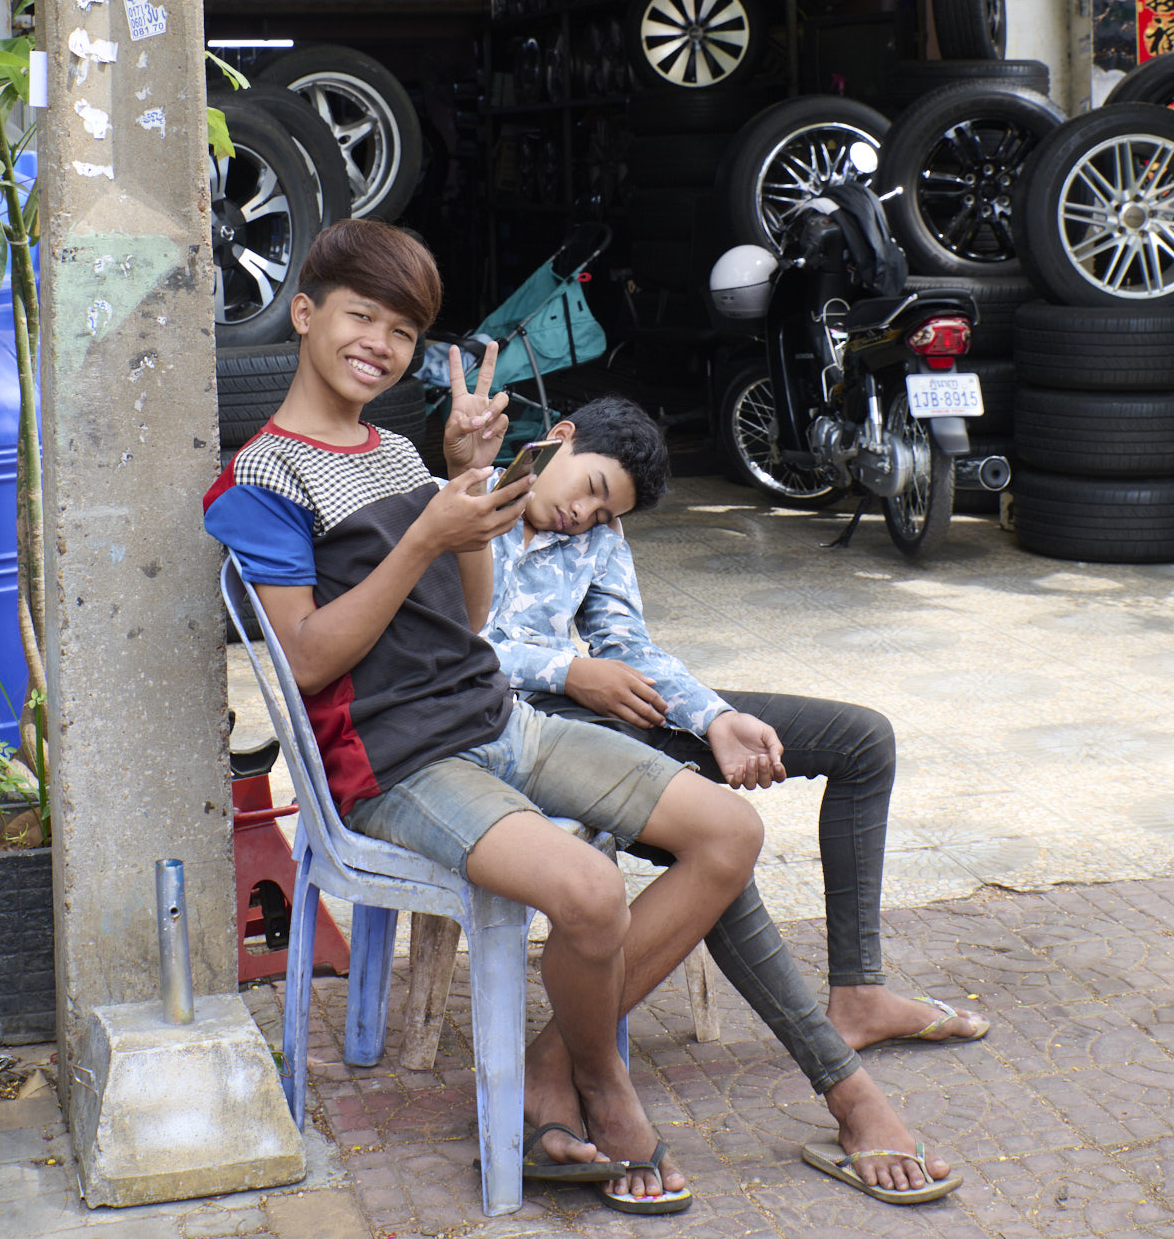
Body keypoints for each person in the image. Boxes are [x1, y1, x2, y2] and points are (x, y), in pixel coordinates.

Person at [203, 220, 769, 1216]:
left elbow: (468, 619)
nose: (380, 344)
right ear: (304, 314)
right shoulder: (261, 480)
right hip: (394, 761)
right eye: (361, 317)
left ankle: (555, 1064)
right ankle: (605, 1083)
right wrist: (426, 533)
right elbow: (308, 659)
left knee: (729, 830)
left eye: (403, 330)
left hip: (493, 720)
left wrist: (468, 483)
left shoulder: (394, 452)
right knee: (590, 891)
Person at [484, 395, 984, 1206]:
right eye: (592, 491)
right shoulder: (466, 504)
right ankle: (845, 1090)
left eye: (605, 513)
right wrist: (568, 671)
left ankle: (858, 990)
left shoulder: (598, 537)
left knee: (863, 740)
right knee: (718, 850)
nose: (585, 516)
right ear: (560, 438)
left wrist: (714, 717)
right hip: (533, 741)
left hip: (614, 711)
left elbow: (628, 647)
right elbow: (452, 648)